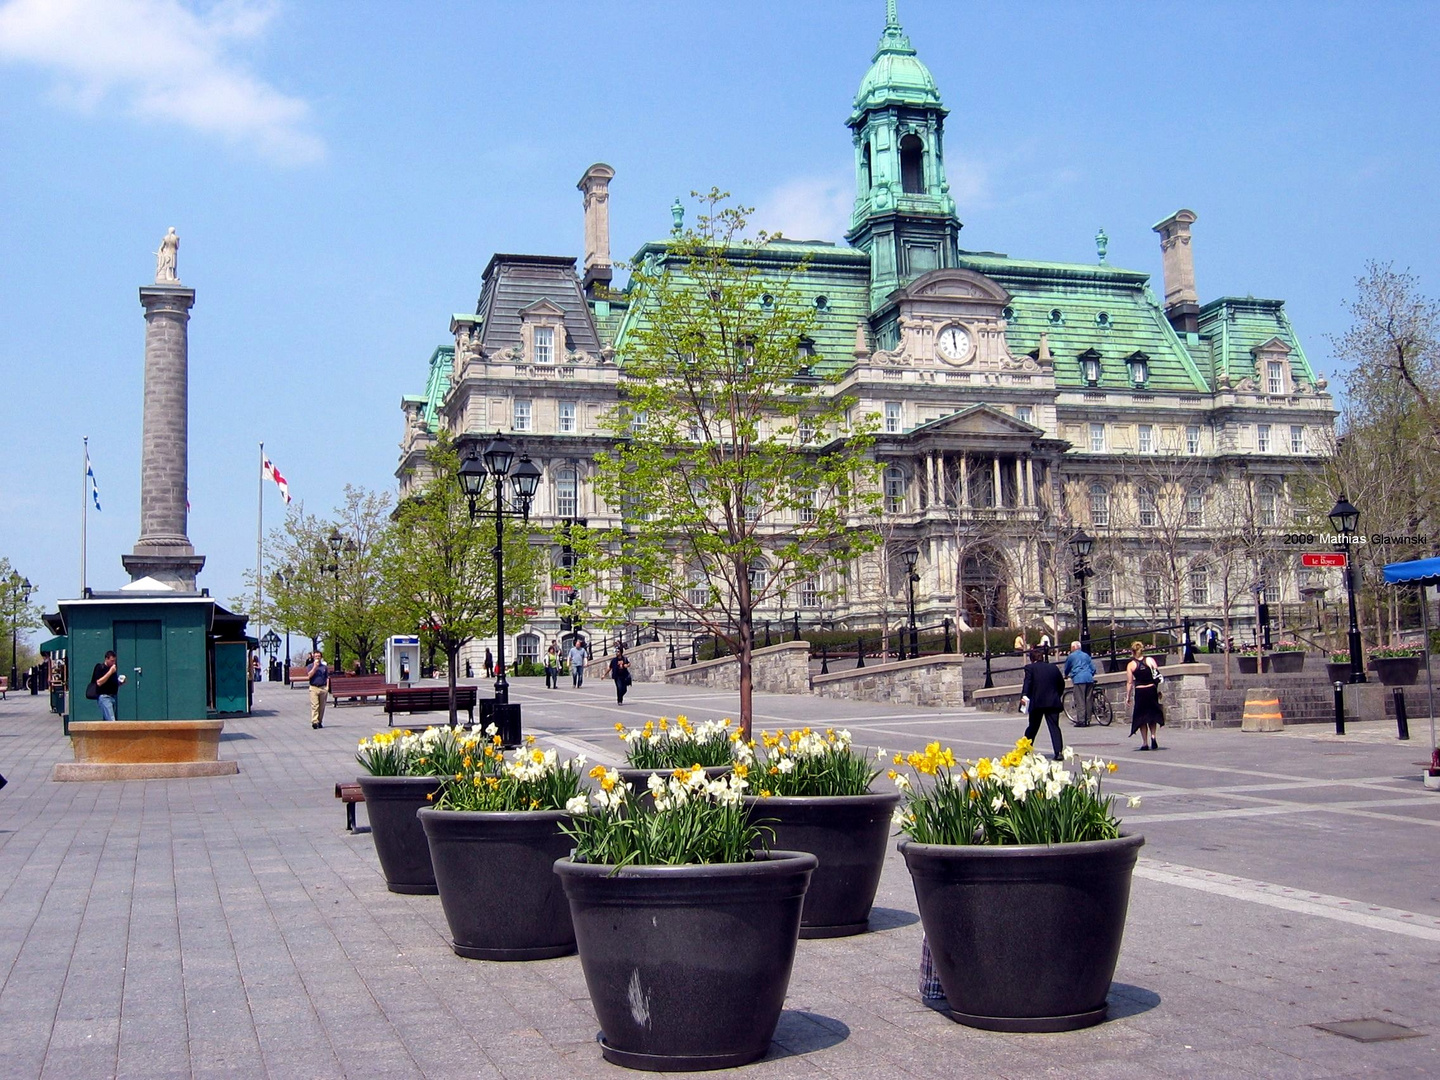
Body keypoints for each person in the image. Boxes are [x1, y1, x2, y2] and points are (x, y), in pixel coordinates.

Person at [1019, 646, 1065, 758]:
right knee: (1054, 727)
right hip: (1052, 701)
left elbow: (1028, 683)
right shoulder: (1053, 668)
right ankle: (1058, 752)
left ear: (1032, 659)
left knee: (1033, 727)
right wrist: (1057, 695)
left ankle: (1025, 749)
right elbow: (1061, 683)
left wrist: (1024, 696)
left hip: (1037, 702)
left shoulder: (1030, 668)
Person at [1125, 641, 1165, 751]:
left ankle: (1144, 743)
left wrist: (1128, 696)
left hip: (1140, 691)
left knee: (1141, 717)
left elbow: (1129, 682)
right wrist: (1159, 690)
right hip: (1151, 689)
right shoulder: (1150, 660)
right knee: (1152, 714)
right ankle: (1153, 736)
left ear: (1133, 651)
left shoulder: (1131, 665)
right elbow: (1157, 676)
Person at [1063, 640, 1097, 727]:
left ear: (1073, 647)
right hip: (1089, 678)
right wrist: (1090, 674)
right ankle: (1088, 720)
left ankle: (1081, 721)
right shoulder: (1086, 655)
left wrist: (1066, 675)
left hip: (1079, 679)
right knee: (1088, 700)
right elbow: (1093, 668)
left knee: (1080, 700)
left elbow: (1067, 667)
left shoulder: (1071, 656)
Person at [92, 650, 122, 721]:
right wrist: (110, 672)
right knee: (111, 720)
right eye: (112, 661)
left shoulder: (113, 669)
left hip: (113, 697)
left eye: (114, 661)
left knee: (107, 721)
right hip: (104, 697)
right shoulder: (100, 667)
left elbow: (112, 683)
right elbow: (99, 682)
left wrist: (120, 682)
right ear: (106, 659)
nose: (113, 663)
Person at [306, 650, 330, 730]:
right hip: (314, 687)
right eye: (316, 656)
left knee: (322, 706)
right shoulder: (310, 666)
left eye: (319, 656)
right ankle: (314, 721)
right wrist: (315, 667)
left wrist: (327, 687)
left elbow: (327, 677)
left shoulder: (324, 667)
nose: (317, 658)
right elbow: (309, 676)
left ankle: (320, 721)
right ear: (313, 657)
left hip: (323, 687)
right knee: (315, 705)